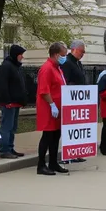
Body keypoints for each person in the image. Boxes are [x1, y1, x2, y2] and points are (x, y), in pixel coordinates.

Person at [36, 42, 70, 176]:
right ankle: (41, 165)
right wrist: (52, 105)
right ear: (56, 55)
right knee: (48, 136)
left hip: (57, 108)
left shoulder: (57, 68)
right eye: (63, 55)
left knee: (56, 136)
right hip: (49, 108)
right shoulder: (47, 68)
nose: (64, 57)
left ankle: (53, 162)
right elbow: (44, 91)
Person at [0, 44, 27, 159]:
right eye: (20, 55)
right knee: (6, 126)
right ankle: (4, 150)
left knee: (13, 127)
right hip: (9, 102)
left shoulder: (15, 66)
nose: (22, 57)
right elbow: (3, 85)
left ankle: (10, 147)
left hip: (15, 101)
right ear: (15, 55)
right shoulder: (7, 66)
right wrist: (7, 100)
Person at [60, 40, 87, 164]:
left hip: (79, 99)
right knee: (69, 128)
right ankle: (66, 154)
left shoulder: (78, 63)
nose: (83, 54)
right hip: (70, 99)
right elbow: (65, 81)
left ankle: (75, 152)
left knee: (77, 128)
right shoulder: (67, 62)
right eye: (82, 51)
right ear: (75, 49)